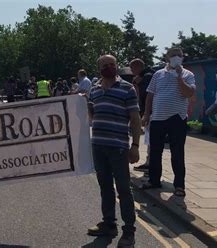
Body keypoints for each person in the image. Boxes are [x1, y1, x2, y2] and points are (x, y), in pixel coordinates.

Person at [87, 54, 140, 247]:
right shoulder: (94, 90)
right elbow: (91, 116)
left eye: (112, 64)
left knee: (124, 189)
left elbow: (135, 119)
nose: (109, 67)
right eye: (105, 65)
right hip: (98, 146)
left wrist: (135, 146)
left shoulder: (127, 89)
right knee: (105, 187)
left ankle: (129, 231)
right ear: (98, 68)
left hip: (118, 147)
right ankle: (109, 224)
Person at [141, 47, 196, 198]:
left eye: (179, 55)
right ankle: (154, 180)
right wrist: (146, 114)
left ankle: (179, 185)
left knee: (177, 152)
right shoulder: (158, 74)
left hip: (177, 118)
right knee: (155, 151)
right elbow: (150, 96)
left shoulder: (188, 75)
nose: (177, 57)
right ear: (167, 58)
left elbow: (189, 93)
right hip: (158, 118)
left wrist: (179, 77)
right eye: (173, 55)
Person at [129, 59, 154, 173]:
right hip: (151, 112)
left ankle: (150, 164)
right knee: (150, 139)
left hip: (151, 113)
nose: (131, 71)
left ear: (137, 67)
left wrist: (145, 114)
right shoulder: (149, 75)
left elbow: (145, 95)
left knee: (150, 139)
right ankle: (150, 162)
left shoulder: (147, 77)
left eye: (132, 68)